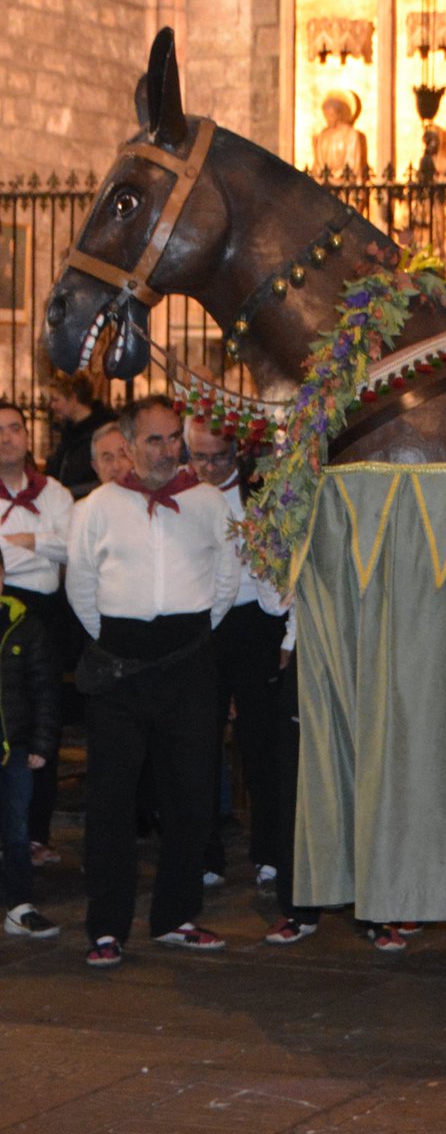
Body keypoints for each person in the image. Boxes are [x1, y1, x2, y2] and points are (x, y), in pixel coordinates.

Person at [66, 396, 240, 968]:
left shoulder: (209, 503)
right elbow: (82, 588)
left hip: (188, 662)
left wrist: (187, 636)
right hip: (119, 666)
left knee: (190, 796)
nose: (168, 451)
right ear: (129, 445)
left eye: (173, 440)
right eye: (154, 441)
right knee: (112, 803)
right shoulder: (96, 507)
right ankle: (107, 928)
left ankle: (175, 916)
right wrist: (121, 638)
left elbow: (226, 576)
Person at [185, 419, 287, 890]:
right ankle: (203, 854)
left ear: (237, 454)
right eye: (199, 457)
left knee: (263, 743)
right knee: (198, 741)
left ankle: (271, 850)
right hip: (200, 622)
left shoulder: (261, 492)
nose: (208, 467)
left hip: (254, 622)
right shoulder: (179, 493)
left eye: (218, 458)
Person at [0, 402, 74, 868]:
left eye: (14, 428)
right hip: (2, 612)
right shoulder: (50, 506)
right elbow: (54, 550)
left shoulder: (56, 492)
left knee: (45, 724)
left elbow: (73, 547)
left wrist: (21, 544)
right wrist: (42, 545)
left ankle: (37, 833)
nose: (6, 437)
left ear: (28, 436)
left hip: (47, 615)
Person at [0, 547, 62, 941]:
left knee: (17, 828)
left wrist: (42, 741)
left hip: (16, 748)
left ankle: (19, 905)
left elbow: (45, 690)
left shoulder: (25, 626)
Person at [45, 374, 114, 498]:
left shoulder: (102, 432)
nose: (52, 406)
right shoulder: (69, 431)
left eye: (56, 400)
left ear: (73, 398)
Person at [311, 91, 368, 182]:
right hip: (326, 181)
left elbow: (354, 164)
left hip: (345, 180)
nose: (328, 119)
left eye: (331, 115)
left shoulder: (351, 134)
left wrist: (339, 176)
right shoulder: (323, 135)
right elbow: (319, 164)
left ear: (340, 114)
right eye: (326, 116)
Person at [89, 421, 132, 486]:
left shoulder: (149, 495)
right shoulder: (95, 496)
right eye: (108, 459)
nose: (116, 467)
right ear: (96, 467)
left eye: (123, 455)